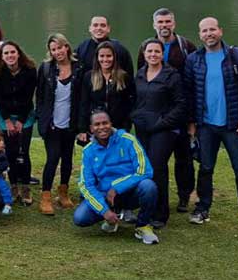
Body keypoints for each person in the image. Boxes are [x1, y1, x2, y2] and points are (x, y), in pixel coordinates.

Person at [185, 17, 238, 230]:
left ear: (221, 31)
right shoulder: (194, 60)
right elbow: (189, 94)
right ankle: (202, 209)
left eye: (212, 29)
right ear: (199, 35)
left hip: (234, 125)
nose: (209, 34)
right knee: (206, 168)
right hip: (206, 125)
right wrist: (192, 123)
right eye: (204, 31)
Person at [136, 7, 198, 213]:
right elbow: (140, 80)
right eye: (160, 22)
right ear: (154, 25)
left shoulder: (186, 46)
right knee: (156, 160)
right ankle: (153, 198)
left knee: (184, 158)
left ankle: (184, 195)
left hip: (179, 111)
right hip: (155, 112)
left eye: (167, 22)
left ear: (174, 23)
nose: (164, 26)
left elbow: (194, 81)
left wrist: (191, 118)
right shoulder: (146, 46)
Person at [74, 110, 159, 245]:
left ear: (111, 124)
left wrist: (116, 188)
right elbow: (86, 185)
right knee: (80, 218)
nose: (102, 127)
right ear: (91, 129)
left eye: (105, 123)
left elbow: (145, 170)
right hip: (105, 196)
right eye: (97, 124)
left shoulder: (128, 139)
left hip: (130, 192)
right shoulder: (88, 151)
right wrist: (104, 211)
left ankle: (143, 226)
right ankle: (112, 216)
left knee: (148, 186)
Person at [131, 38, 188, 228]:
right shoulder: (139, 74)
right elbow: (134, 100)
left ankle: (160, 213)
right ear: (144, 54)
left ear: (162, 54)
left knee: (157, 167)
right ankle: (146, 204)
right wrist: (135, 116)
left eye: (157, 51)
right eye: (149, 52)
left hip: (164, 129)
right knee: (144, 167)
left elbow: (181, 105)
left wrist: (163, 122)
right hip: (143, 128)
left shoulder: (172, 76)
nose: (153, 55)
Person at [34, 33, 83, 216]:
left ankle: (63, 192)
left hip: (70, 123)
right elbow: (39, 96)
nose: (57, 52)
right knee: (53, 158)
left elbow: (82, 97)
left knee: (68, 159)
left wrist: (80, 125)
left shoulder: (79, 68)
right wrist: (41, 117)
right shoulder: (46, 68)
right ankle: (46, 196)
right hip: (51, 124)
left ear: (67, 47)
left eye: (60, 47)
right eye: (53, 49)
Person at [0, 40, 38, 206]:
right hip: (5, 116)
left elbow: (28, 97)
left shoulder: (30, 71)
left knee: (23, 151)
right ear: (2, 57)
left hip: (25, 115)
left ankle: (25, 187)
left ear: (18, 54)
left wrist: (21, 121)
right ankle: (13, 186)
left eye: (12, 52)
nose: (10, 55)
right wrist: (8, 121)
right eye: (6, 53)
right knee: (9, 151)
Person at [80, 41, 133, 134]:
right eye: (102, 56)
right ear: (97, 58)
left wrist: (126, 126)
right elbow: (84, 103)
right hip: (96, 126)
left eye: (109, 56)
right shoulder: (89, 77)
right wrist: (83, 129)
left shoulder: (124, 77)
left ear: (114, 57)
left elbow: (128, 103)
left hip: (118, 127)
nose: (105, 59)